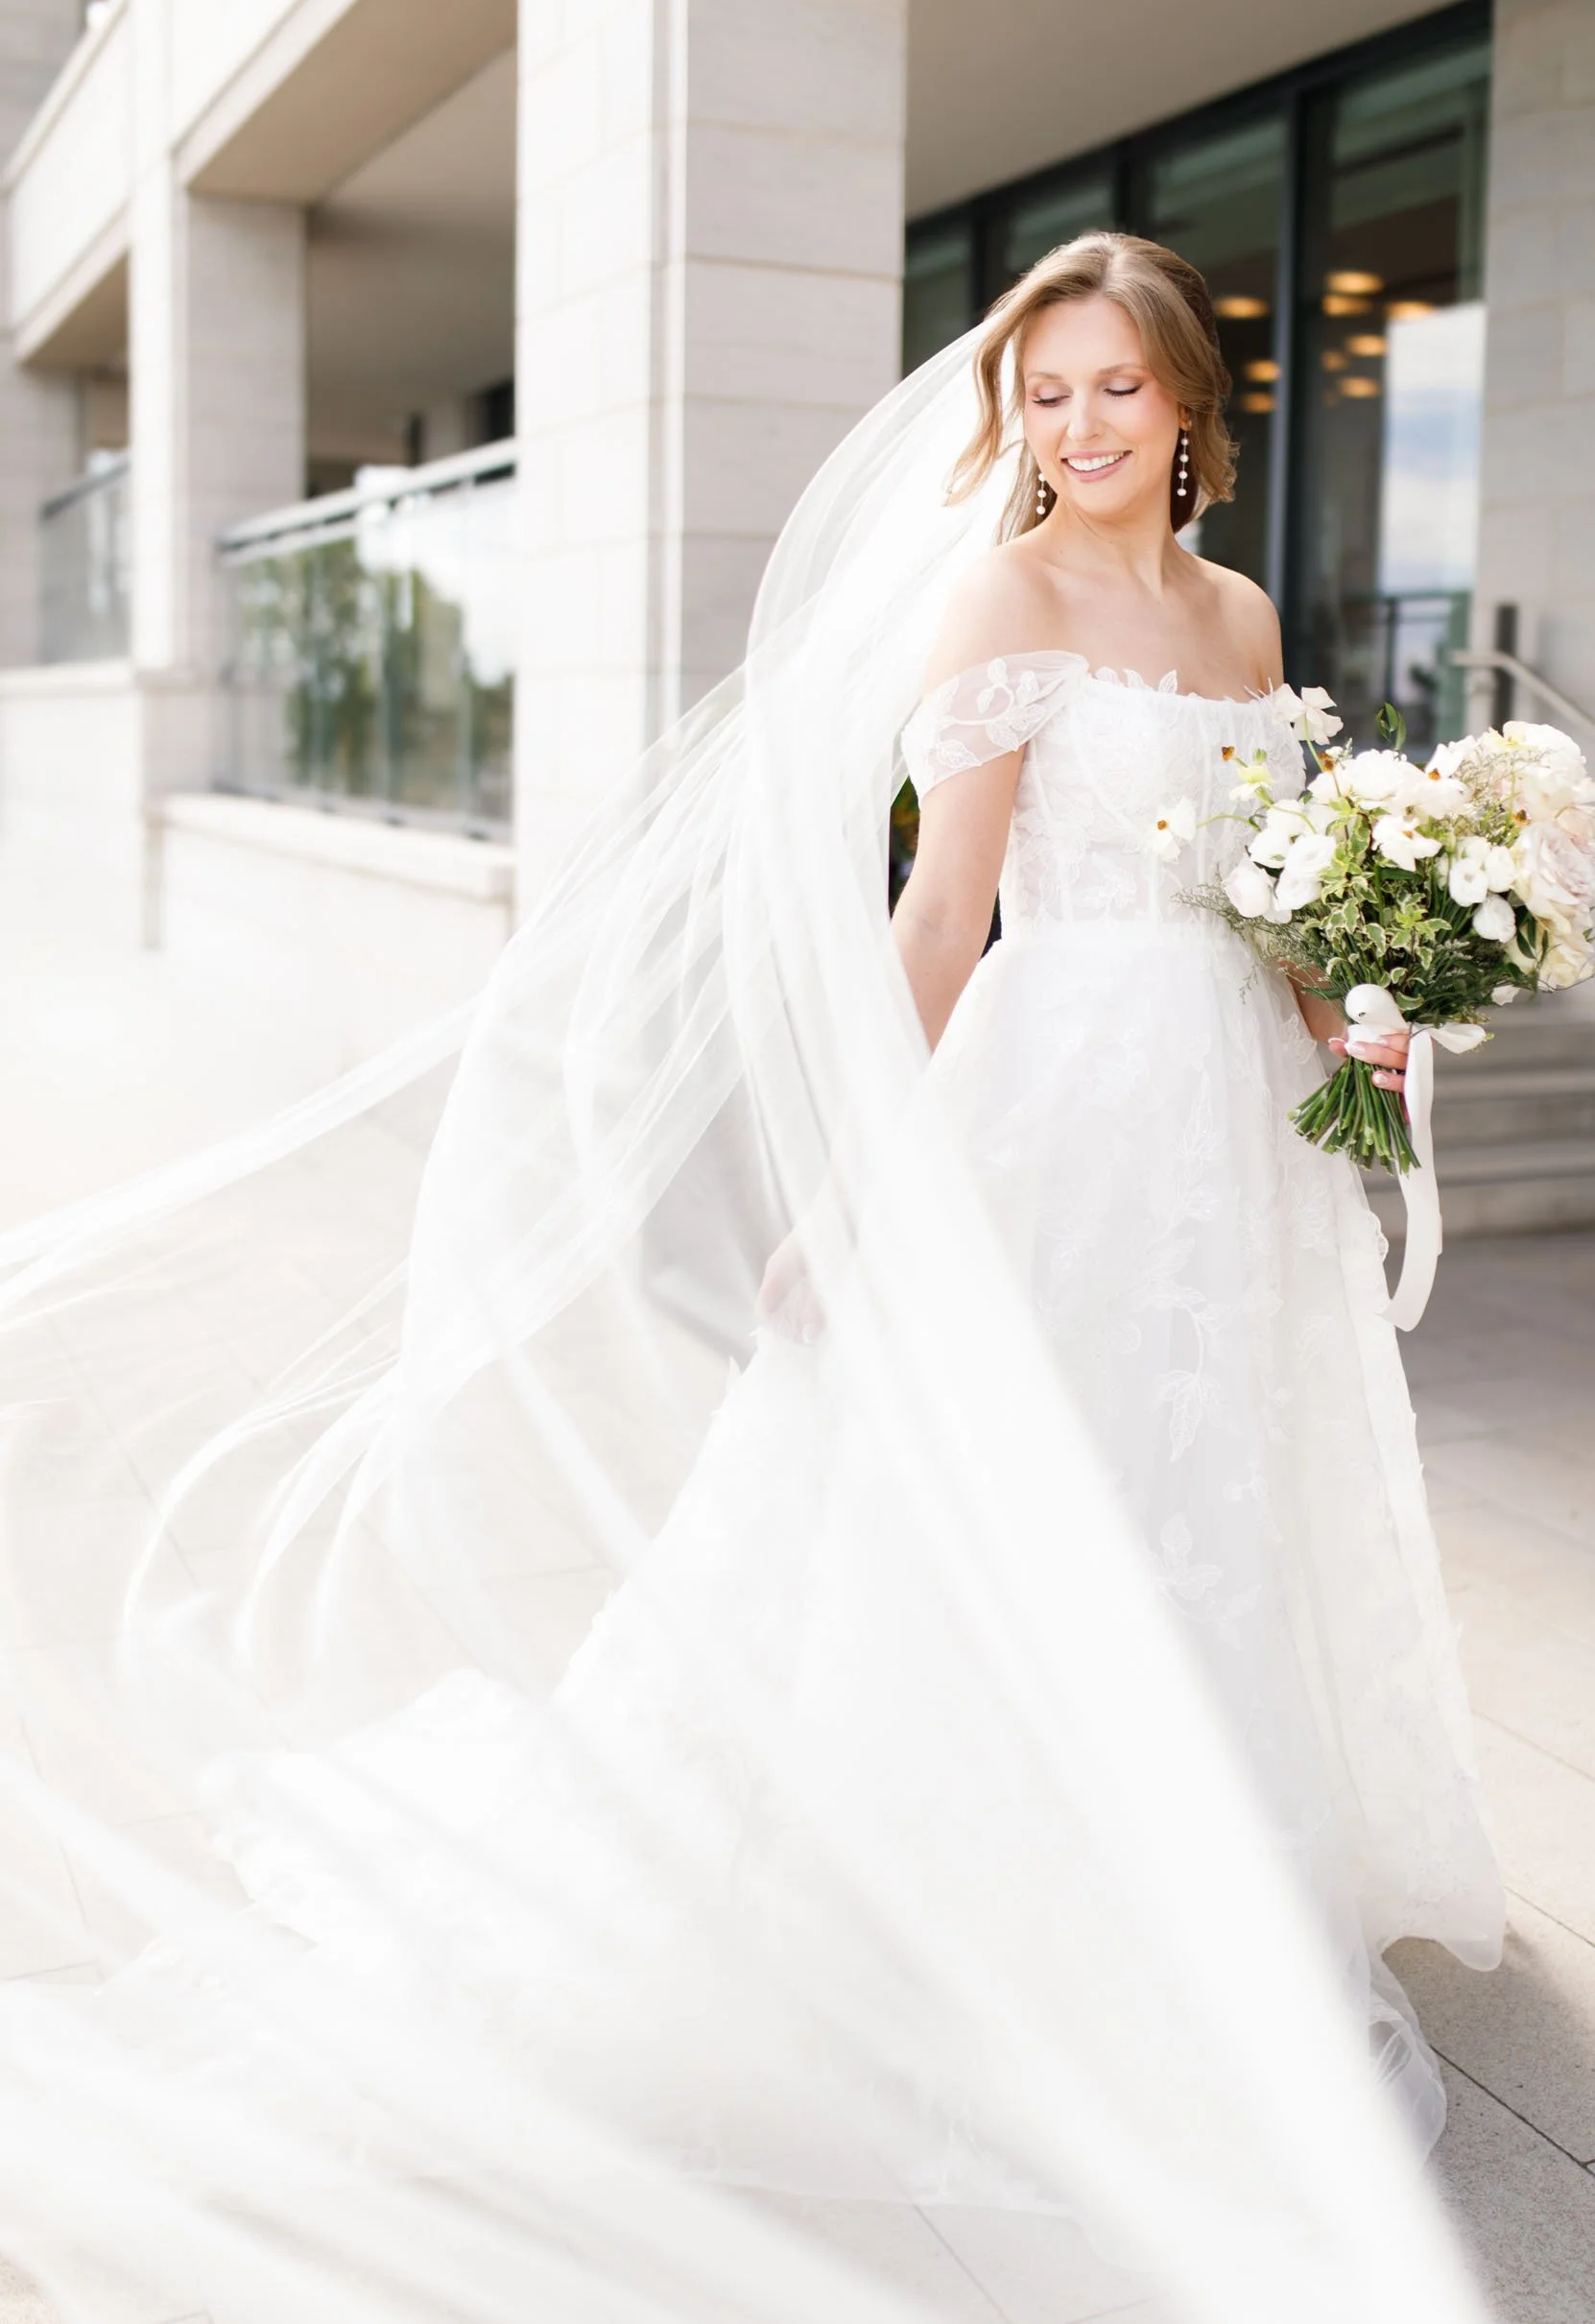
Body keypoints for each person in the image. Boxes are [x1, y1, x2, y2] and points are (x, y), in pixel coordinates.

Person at [0, 234, 1502, 2324]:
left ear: (1184, 402)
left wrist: (1358, 1011)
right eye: (1046, 392)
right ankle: (998, 1908)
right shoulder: (1000, 601)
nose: (1079, 426)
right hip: (1059, 1108)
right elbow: (944, 914)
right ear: (1016, 417)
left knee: (1207, 1483)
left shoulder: (1240, 616)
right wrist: (864, 1181)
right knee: (1021, 1494)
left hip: (1227, 1128)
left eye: (1113, 387)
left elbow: (1257, 890)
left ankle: (1201, 1873)